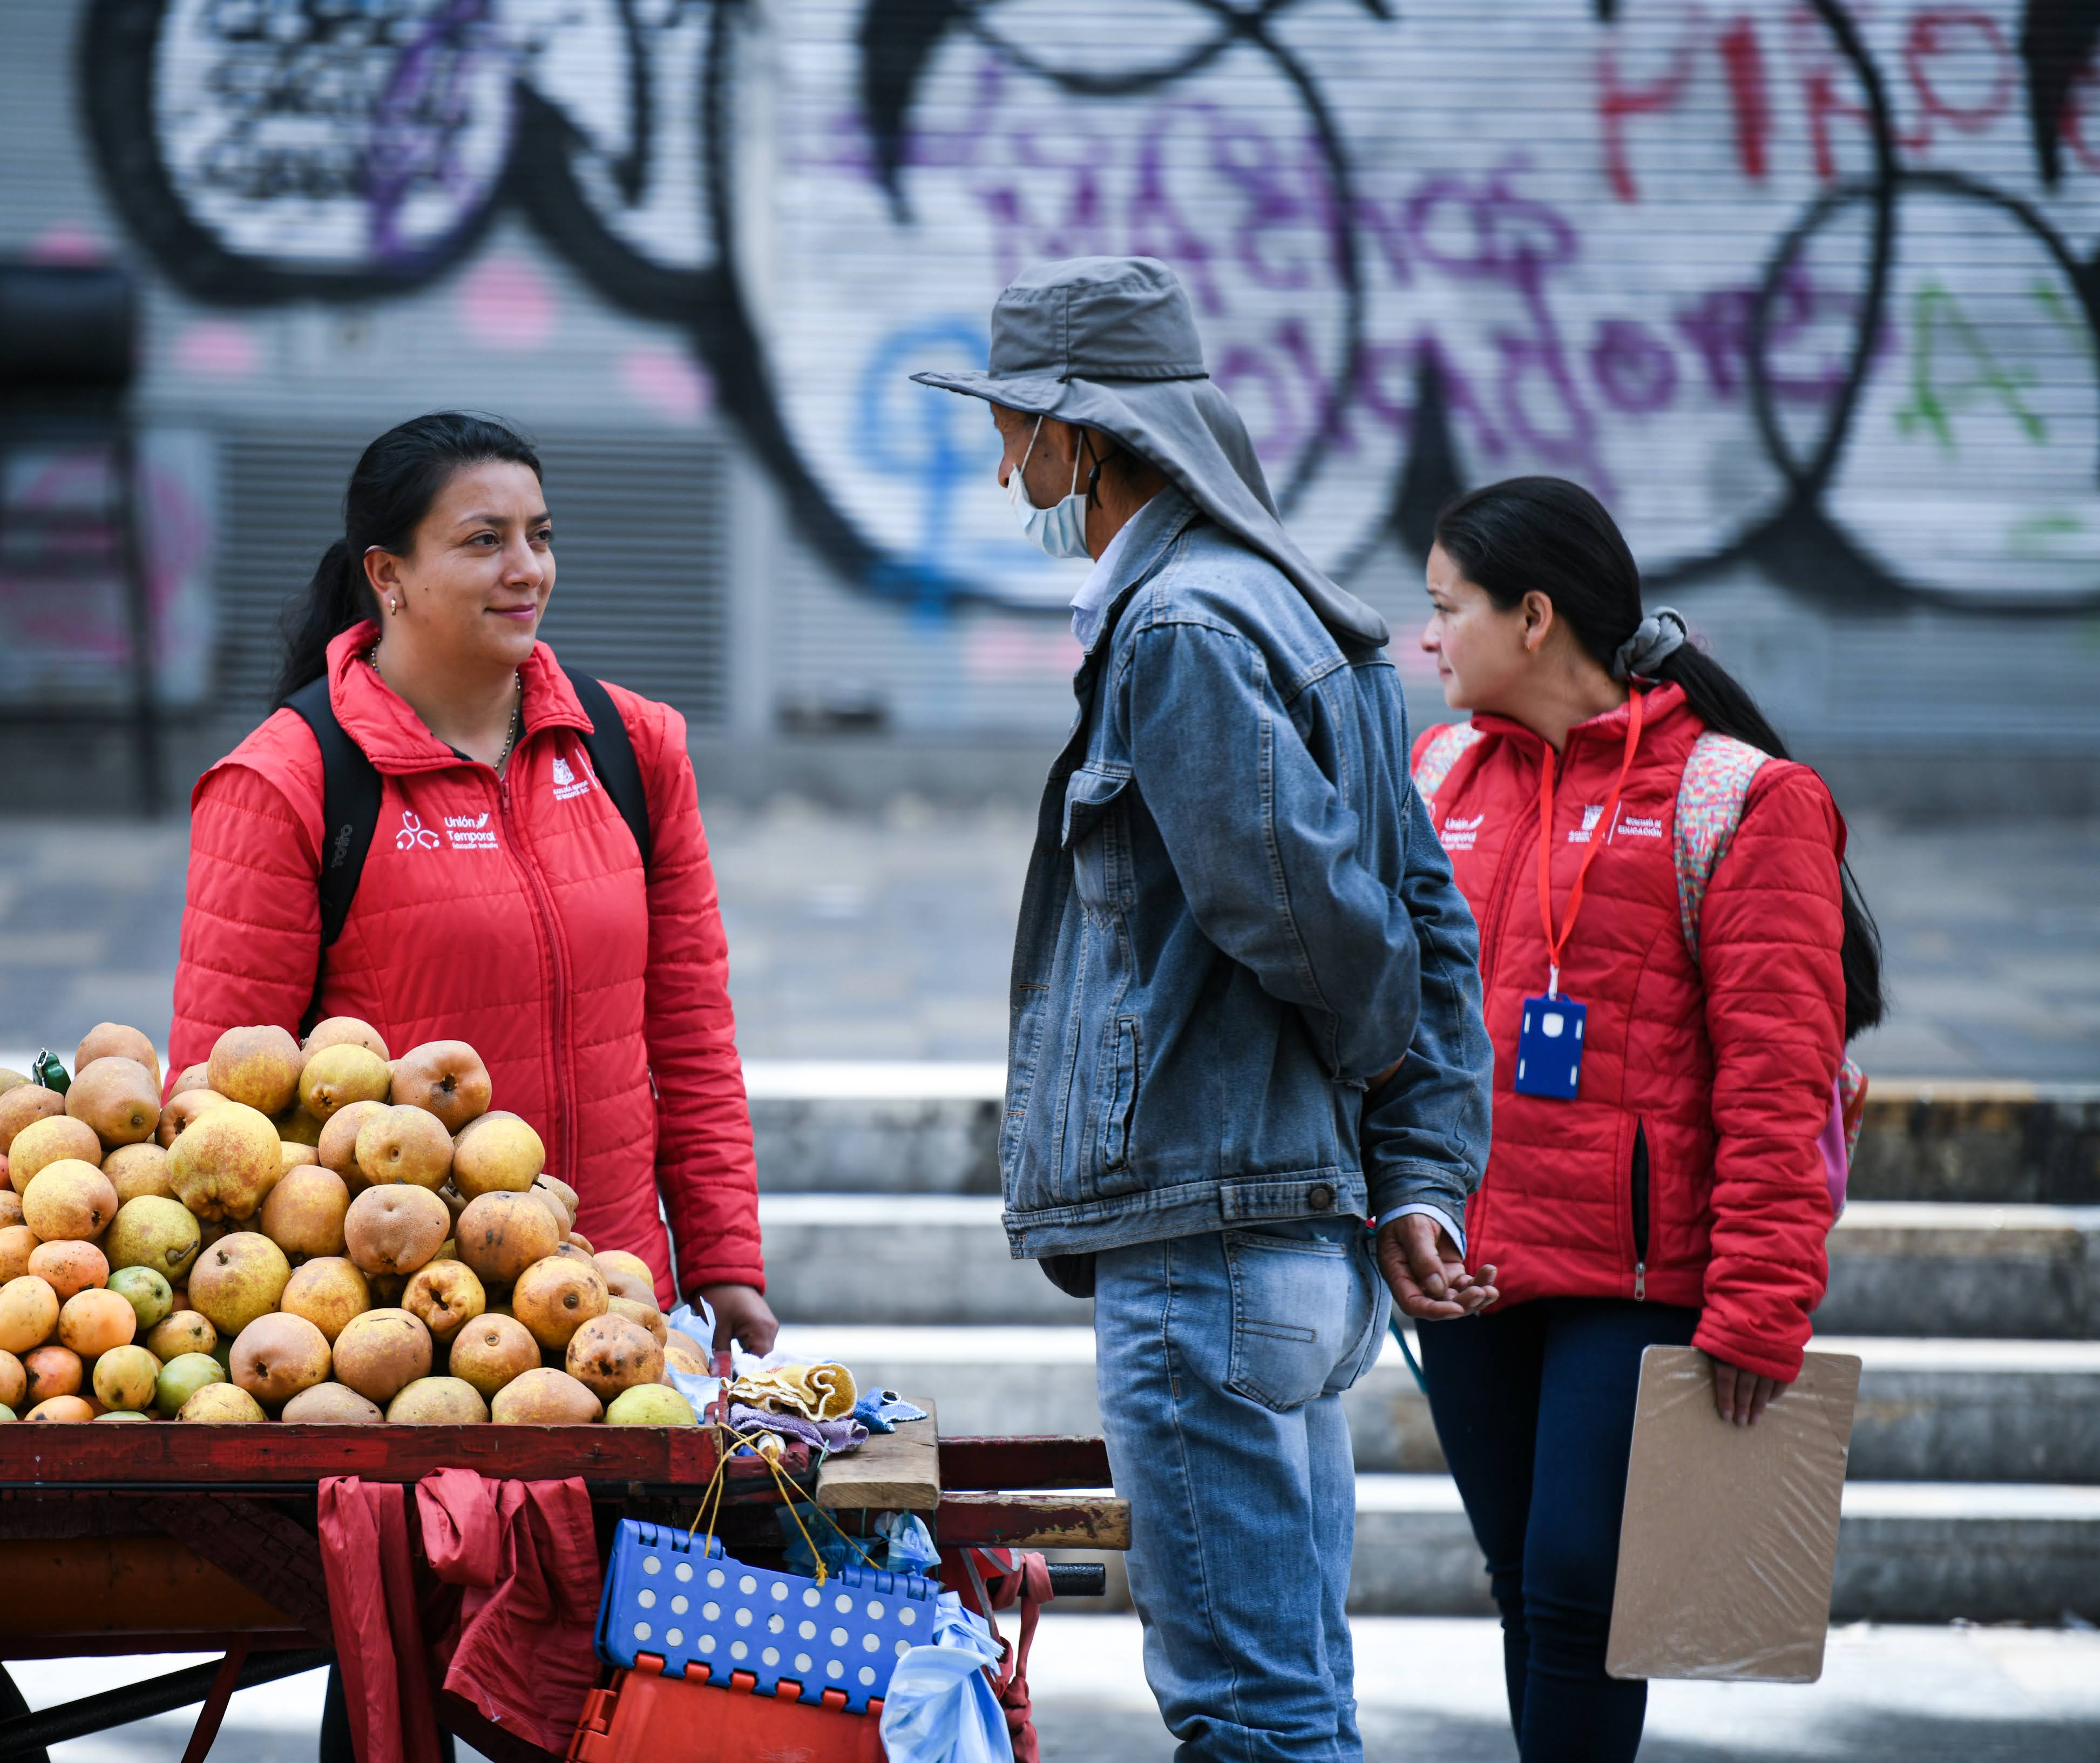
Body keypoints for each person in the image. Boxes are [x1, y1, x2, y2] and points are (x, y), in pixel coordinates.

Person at [914, 256, 1497, 1760]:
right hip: (1291, 1249)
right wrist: (1418, 1166)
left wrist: (1373, 1076)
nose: (1002, 462)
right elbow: (1437, 920)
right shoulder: (1311, 613)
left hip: (1213, 1249)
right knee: (1297, 1695)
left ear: (1087, 439)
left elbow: (1317, 914)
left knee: (1248, 1716)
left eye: (1016, 427)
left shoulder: (1180, 627)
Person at [1410, 476, 1884, 1761]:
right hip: (1471, 1264)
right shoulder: (1439, 771)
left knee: (1579, 1590)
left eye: (1447, 607)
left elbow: (1780, 1076)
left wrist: (1759, 1299)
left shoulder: (1742, 799)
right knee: (1526, 1585)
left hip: (1640, 1275)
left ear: (1535, 618)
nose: (1427, 637)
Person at [165, 411, 775, 1354]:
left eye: (540, 535)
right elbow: (220, 1106)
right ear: (386, 574)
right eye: (484, 541)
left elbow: (689, 1026)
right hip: (405, 1333)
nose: (526, 567)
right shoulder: (288, 780)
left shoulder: (632, 746)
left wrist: (724, 1259)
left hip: (617, 1309)